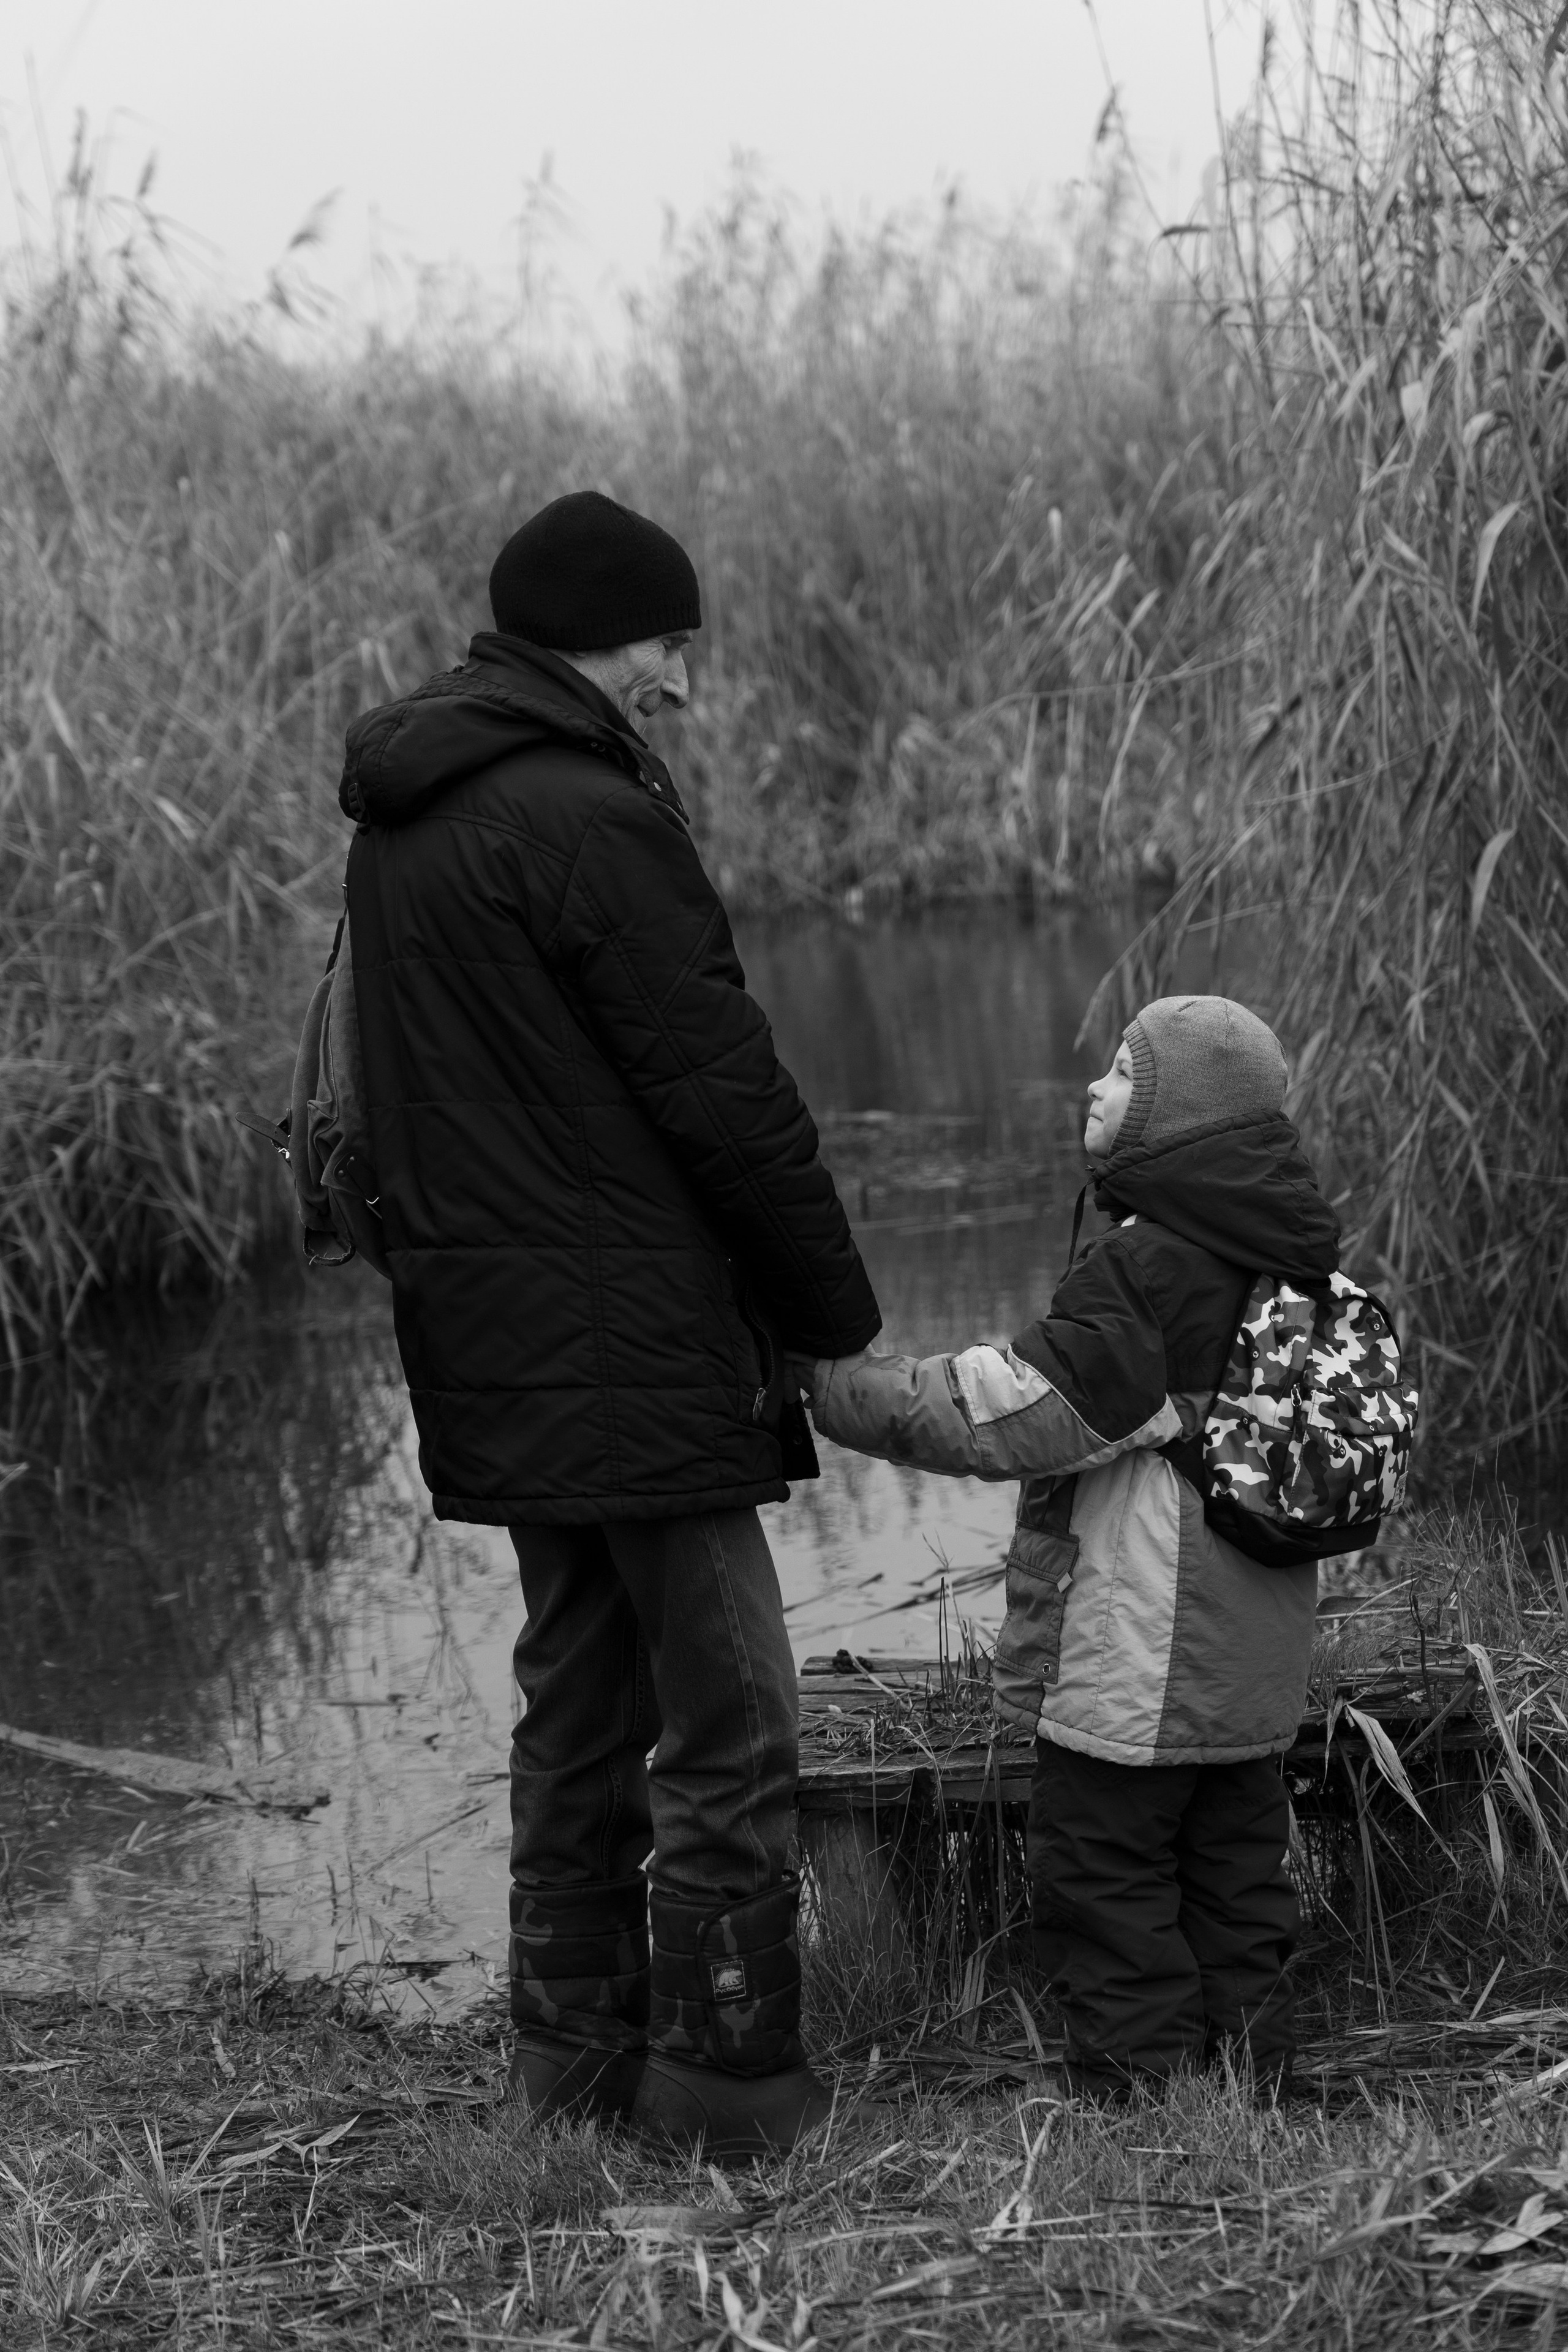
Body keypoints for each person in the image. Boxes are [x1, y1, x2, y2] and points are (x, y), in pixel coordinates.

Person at [339, 490, 881, 2152]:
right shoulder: (584, 813)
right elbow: (719, 1090)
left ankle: (565, 2075)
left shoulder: (407, 813)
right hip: (634, 1342)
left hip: (497, 1337)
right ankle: (726, 2090)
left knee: (579, 1707)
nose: (684, 684)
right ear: (593, 636)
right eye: (669, 645)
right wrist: (831, 1312)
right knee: (730, 1720)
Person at [793, 995, 1336, 2100]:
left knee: (1102, 1872)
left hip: (1142, 1656)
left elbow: (1012, 1411)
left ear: (1178, 1122)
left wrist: (838, 1390)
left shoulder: (1154, 1271)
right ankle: (1256, 2084)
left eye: (1124, 1077)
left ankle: (1142, 2097)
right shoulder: (1286, 1251)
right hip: (1252, 1659)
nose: (1094, 1090)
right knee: (1235, 1872)